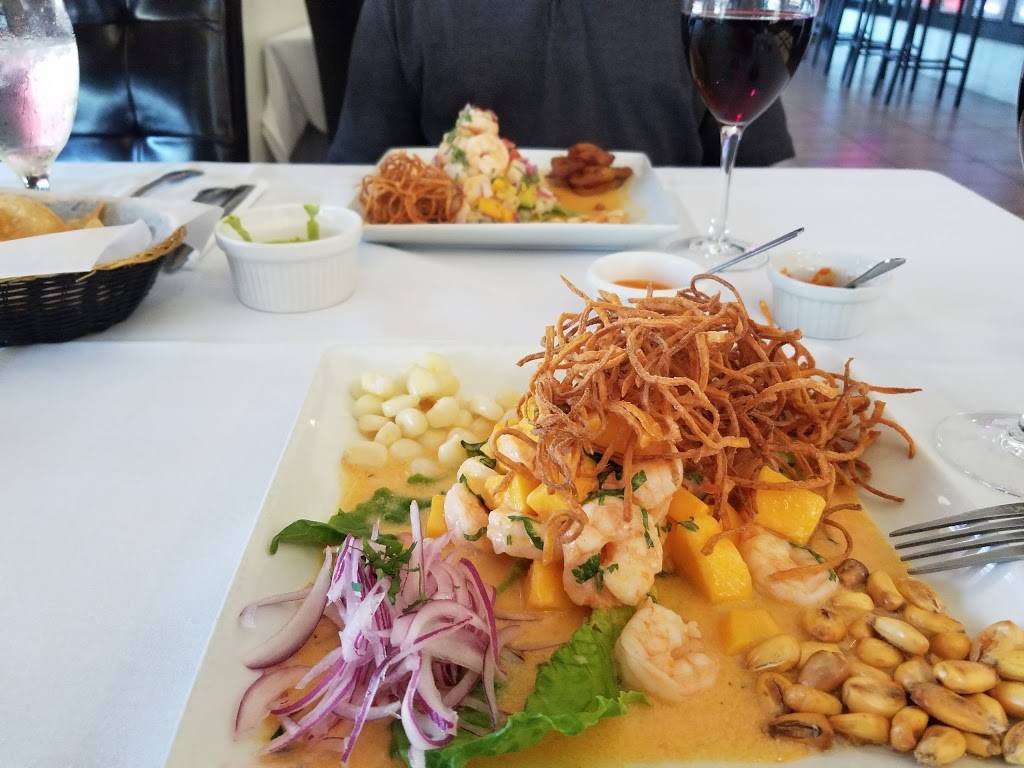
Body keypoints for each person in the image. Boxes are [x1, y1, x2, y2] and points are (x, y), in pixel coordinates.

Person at [328, 0, 795, 167]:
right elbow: (360, 173)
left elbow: (759, 170)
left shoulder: (715, 8)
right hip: (435, 297)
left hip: (667, 292)